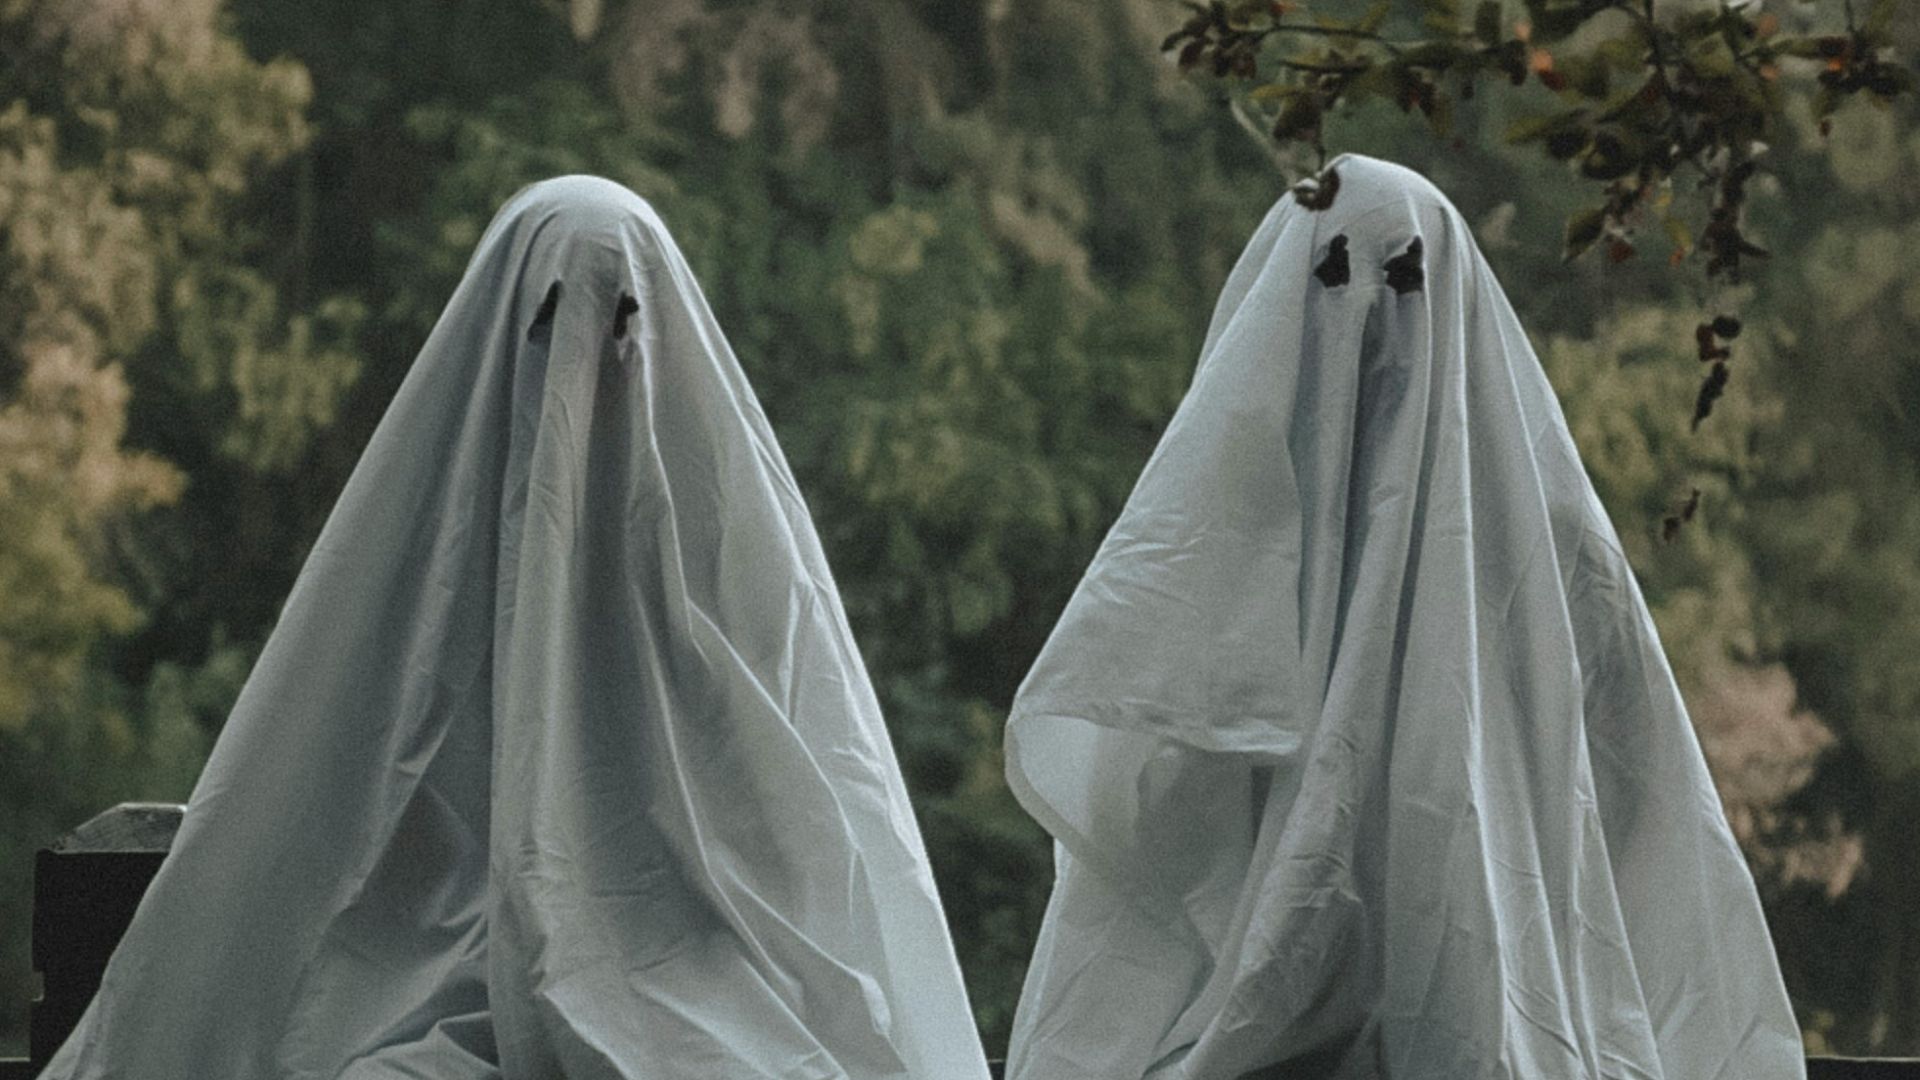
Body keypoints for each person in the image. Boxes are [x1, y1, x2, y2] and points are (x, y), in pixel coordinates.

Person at [40, 177, 992, 1080]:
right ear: (501, 336)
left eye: (618, 320)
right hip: (429, 984)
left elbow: (803, 830)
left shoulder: (728, 557)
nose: (581, 360)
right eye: (549, 324)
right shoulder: (414, 566)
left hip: (700, 987)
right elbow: (323, 815)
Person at [1000, 154, 1805, 1080]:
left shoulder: (1546, 550)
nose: (1372, 313)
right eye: (1335, 277)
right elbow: (1163, 775)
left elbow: (1631, 786)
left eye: (1405, 278)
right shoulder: (1230, 533)